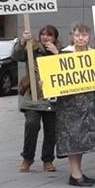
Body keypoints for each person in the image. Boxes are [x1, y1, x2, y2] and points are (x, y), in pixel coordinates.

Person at [54, 23, 95, 187]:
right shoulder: (64, 54)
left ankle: (78, 172)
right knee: (73, 139)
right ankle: (75, 175)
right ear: (72, 37)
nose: (81, 38)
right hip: (69, 105)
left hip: (89, 105)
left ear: (89, 37)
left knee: (82, 140)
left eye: (84, 35)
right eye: (77, 35)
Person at [14, 25, 61, 173]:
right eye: (43, 34)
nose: (45, 37)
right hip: (33, 96)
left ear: (55, 38)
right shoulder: (31, 48)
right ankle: (27, 158)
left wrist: (57, 53)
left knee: (51, 130)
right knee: (31, 124)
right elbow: (16, 56)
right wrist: (22, 42)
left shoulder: (60, 50)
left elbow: (67, 67)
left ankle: (48, 159)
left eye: (49, 35)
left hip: (52, 97)